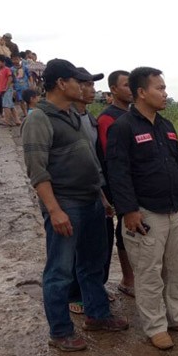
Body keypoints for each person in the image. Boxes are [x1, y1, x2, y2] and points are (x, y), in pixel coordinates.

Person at [22, 59, 129, 352]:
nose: (82, 87)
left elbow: (91, 163)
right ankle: (60, 332)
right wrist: (54, 210)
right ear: (61, 83)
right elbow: (37, 170)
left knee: (92, 264)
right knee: (60, 270)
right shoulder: (38, 119)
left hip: (92, 200)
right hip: (66, 203)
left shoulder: (72, 115)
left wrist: (103, 198)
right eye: (77, 81)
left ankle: (97, 315)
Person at [106, 66, 178, 350]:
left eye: (164, 87)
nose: (165, 93)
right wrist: (128, 210)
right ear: (141, 92)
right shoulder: (123, 127)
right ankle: (156, 328)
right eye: (159, 88)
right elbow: (118, 172)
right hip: (145, 212)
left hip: (173, 209)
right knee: (149, 274)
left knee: (177, 269)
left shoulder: (165, 126)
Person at [67, 69, 107, 314]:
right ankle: (75, 294)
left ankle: (93, 292)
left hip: (97, 188)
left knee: (97, 247)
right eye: (87, 85)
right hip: (74, 194)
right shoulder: (66, 118)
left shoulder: (91, 119)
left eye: (93, 85)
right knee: (75, 248)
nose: (93, 90)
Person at [96, 70, 136, 298]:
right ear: (113, 89)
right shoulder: (107, 118)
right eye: (126, 85)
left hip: (138, 182)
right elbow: (108, 156)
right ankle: (127, 279)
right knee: (124, 229)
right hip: (118, 184)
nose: (130, 89)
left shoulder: (132, 114)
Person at [0, 55, 19, 126]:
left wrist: (6, 88)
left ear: (3, 62)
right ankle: (17, 120)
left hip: (6, 90)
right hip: (3, 91)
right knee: (11, 106)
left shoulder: (6, 69)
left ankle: (7, 120)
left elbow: (10, 78)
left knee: (6, 106)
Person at [11, 53, 32, 118]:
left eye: (17, 59)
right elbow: (11, 79)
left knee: (29, 101)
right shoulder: (11, 69)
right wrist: (12, 88)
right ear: (11, 60)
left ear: (20, 59)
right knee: (21, 101)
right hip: (18, 88)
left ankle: (29, 113)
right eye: (14, 59)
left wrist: (31, 84)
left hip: (26, 87)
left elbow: (29, 76)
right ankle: (25, 113)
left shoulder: (25, 67)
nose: (15, 61)